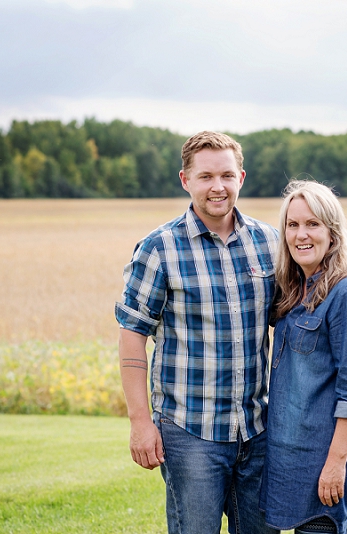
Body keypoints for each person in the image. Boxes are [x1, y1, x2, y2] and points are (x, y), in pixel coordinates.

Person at [115, 131, 279, 534]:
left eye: (226, 175)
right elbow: (132, 333)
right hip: (190, 434)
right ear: (185, 180)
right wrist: (140, 422)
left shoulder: (270, 243)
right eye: (205, 177)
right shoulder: (159, 248)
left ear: (241, 177)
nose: (217, 187)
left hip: (258, 431)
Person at [260, 180, 347, 534]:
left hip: (322, 462)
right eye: (293, 225)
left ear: (333, 232)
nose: (302, 234)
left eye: (312, 224)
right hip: (285, 459)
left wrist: (336, 464)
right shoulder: (295, 291)